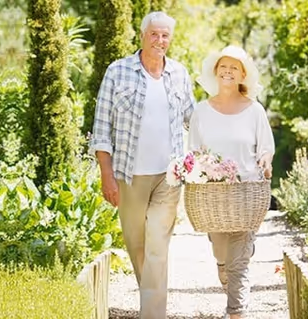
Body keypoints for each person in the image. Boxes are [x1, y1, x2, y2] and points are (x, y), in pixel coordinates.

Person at [89, 11, 196, 319]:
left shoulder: (178, 73)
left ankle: (152, 313)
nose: (160, 41)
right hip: (129, 174)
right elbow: (101, 129)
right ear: (143, 35)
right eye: (154, 34)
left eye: (165, 35)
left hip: (169, 176)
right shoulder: (118, 71)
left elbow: (194, 119)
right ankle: (151, 299)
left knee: (158, 246)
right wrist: (106, 175)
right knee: (136, 245)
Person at [188, 45, 275, 319]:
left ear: (242, 75)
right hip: (212, 196)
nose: (228, 71)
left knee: (239, 260)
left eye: (234, 67)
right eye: (223, 66)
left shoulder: (254, 111)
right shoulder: (201, 111)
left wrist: (266, 161)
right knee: (221, 252)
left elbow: (266, 147)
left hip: (245, 192)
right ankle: (226, 269)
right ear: (216, 71)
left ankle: (235, 311)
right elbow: (193, 152)